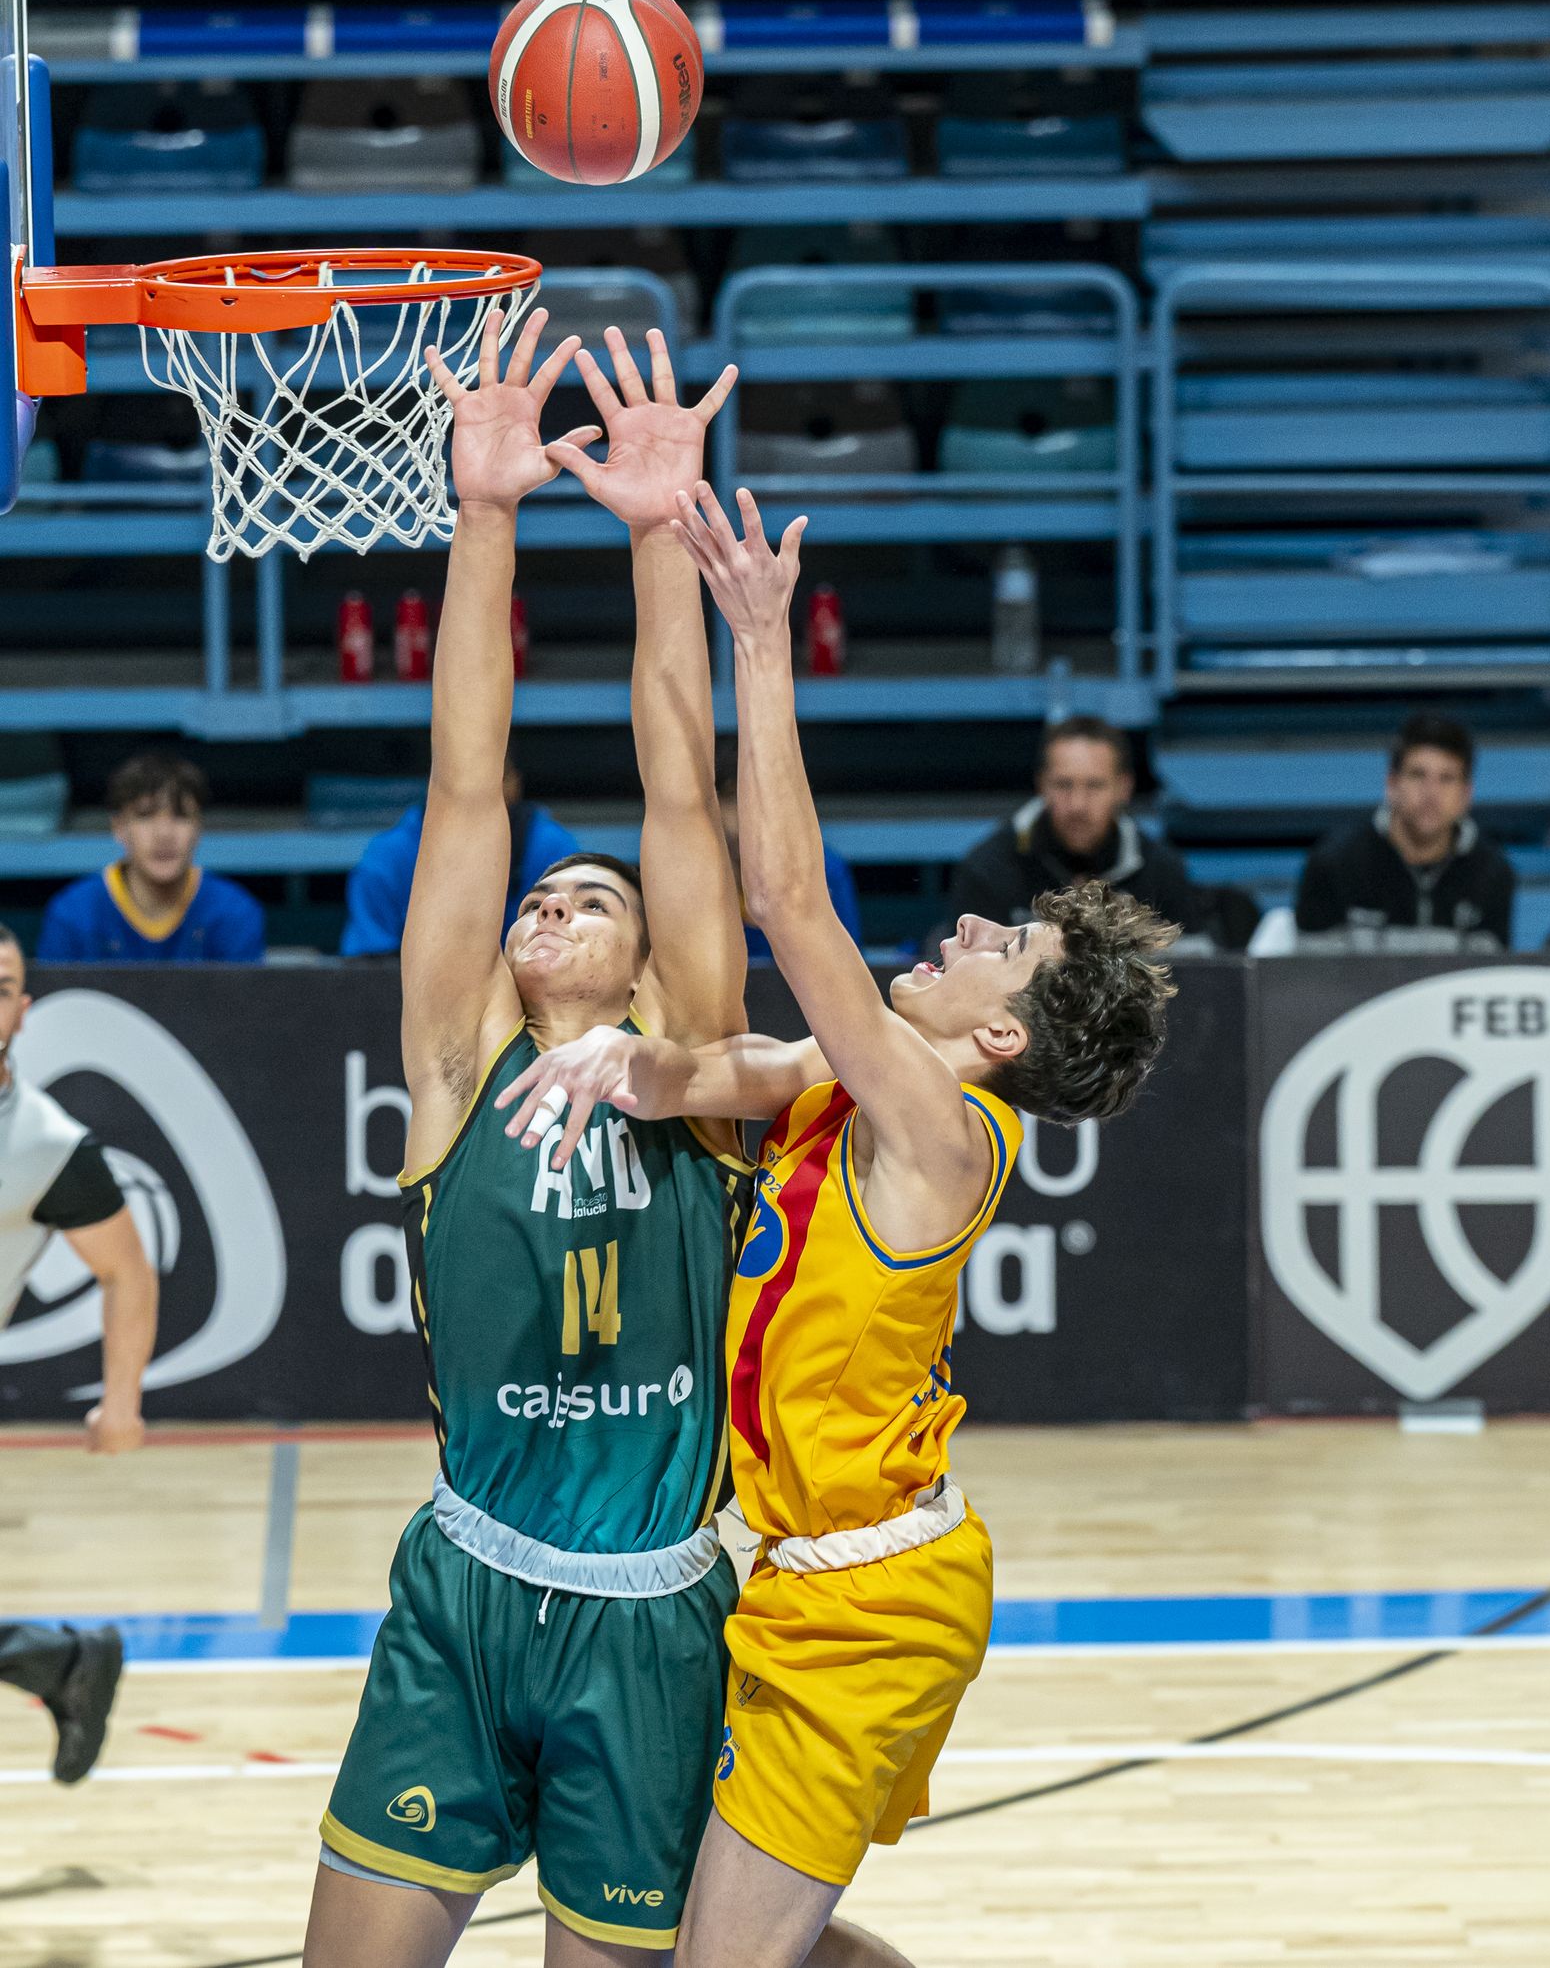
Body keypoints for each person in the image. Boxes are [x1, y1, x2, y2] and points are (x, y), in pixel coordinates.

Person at [497, 484, 1178, 1968]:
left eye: (1004, 946)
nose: (969, 926)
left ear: (1002, 1036)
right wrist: (634, 1064)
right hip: (802, 1573)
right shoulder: (863, 1077)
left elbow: (786, 896)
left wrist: (761, 638)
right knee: (742, 1937)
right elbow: (736, 1066)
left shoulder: (943, 1129)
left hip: (873, 1603)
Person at [304, 316, 758, 1967]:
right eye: (540, 899)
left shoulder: (698, 1071)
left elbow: (682, 791)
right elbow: (465, 784)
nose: (551, 906)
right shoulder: (458, 1066)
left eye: (592, 900)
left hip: (652, 1616)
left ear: (646, 965)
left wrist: (657, 538)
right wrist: (483, 514)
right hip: (466, 1592)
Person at [0, 923, 157, 1781]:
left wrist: (121, 1401)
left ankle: (60, 1661)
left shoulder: (48, 1144)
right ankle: (60, 1661)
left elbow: (127, 1270)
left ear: (22, 1011)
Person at [931, 716, 1197, 947]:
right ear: (1042, 785)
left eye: (1094, 785)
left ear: (1124, 788)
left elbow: (1193, 973)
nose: (1077, 805)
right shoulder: (988, 869)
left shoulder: (1162, 873)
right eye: (1063, 784)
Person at [1295, 712, 1514, 947]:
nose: (1431, 793)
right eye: (1418, 775)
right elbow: (1312, 968)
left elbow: (1491, 968)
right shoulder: (1333, 864)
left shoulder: (1493, 872)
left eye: (1447, 778)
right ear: (1392, 784)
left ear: (1466, 794)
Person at [36, 751, 265, 962]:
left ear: (199, 827)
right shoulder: (72, 915)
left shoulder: (235, 912)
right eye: (145, 816)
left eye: (181, 816)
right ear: (119, 828)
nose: (164, 834)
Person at [341, 756, 579, 957]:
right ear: (434, 783)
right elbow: (370, 967)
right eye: (460, 778)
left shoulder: (554, 852)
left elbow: (572, 955)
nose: (475, 792)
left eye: (492, 777)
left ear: (514, 783)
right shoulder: (386, 860)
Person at [715, 738, 861, 960]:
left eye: (757, 797)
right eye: (733, 798)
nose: (746, 811)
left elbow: (847, 959)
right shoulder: (696, 874)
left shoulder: (823, 868)